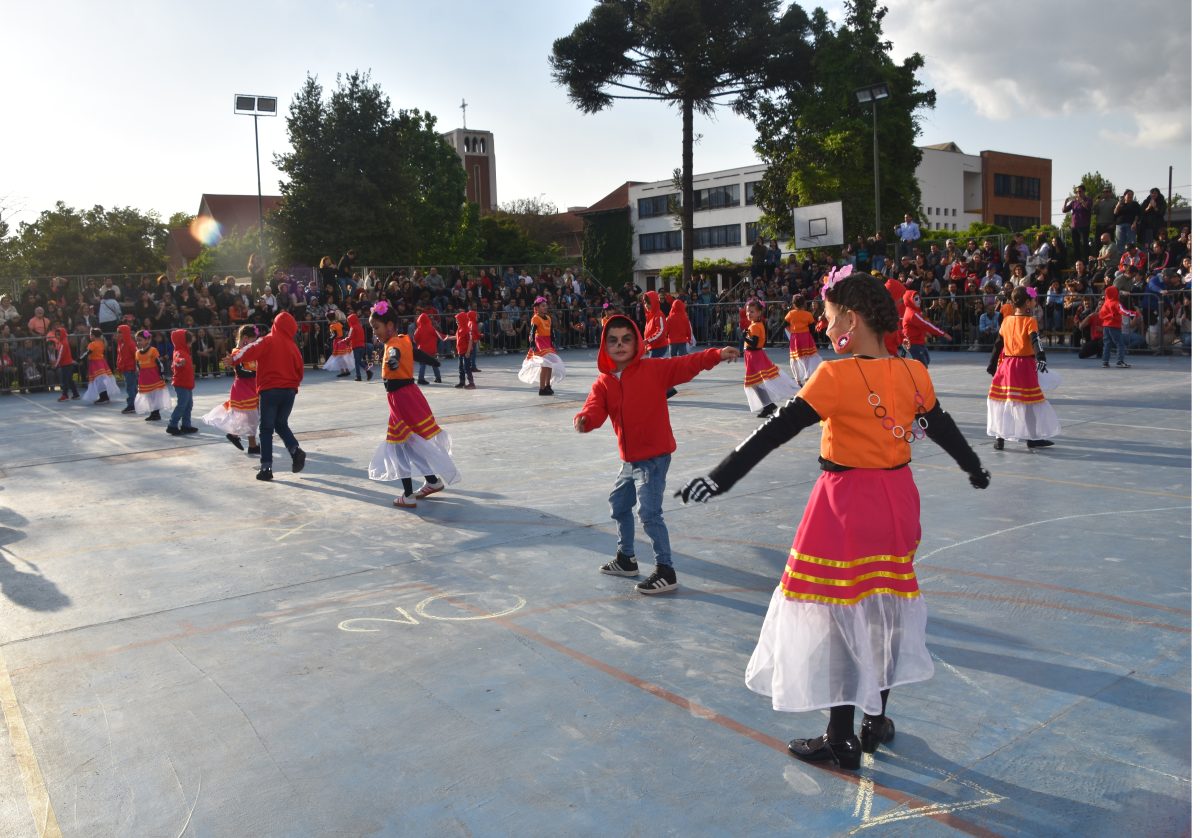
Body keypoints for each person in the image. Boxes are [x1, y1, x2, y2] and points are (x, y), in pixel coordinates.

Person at [675, 271, 989, 770]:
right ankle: (874, 721)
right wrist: (973, 466)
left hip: (843, 505)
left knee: (840, 616)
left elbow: (775, 431)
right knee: (883, 609)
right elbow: (941, 426)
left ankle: (840, 736)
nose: (822, 324)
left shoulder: (835, 376)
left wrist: (721, 476)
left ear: (851, 317)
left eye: (826, 315)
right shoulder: (914, 373)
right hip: (898, 501)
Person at [573, 314, 740, 595]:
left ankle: (666, 570)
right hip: (629, 459)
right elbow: (594, 408)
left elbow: (686, 363)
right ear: (605, 346)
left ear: (637, 341)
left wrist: (716, 355)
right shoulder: (604, 382)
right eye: (613, 340)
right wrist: (585, 420)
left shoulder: (653, 369)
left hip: (654, 456)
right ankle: (626, 558)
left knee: (649, 513)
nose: (620, 345)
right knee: (618, 505)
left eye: (626, 338)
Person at [366, 301, 458, 508]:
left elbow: (394, 355)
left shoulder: (393, 346)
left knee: (400, 445)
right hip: (407, 396)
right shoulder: (403, 340)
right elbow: (415, 353)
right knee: (409, 443)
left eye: (376, 327)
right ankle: (432, 481)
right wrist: (433, 361)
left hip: (401, 399)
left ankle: (408, 495)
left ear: (390, 325)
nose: (375, 332)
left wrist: (394, 361)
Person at [223, 311, 307, 482]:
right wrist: (294, 386)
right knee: (281, 424)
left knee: (266, 429)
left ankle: (266, 468)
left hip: (270, 390)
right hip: (289, 391)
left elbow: (248, 350)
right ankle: (295, 450)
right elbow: (300, 368)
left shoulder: (267, 340)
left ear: (275, 325)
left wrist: (233, 359)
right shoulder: (292, 346)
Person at [986, 287, 1060, 450]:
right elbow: (1036, 341)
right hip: (1024, 366)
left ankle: (1000, 438)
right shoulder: (1030, 321)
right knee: (1029, 403)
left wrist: (992, 364)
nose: (1034, 302)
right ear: (1027, 303)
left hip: (1006, 365)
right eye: (1033, 300)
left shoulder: (1006, 320)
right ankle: (1032, 437)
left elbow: (998, 344)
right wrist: (1041, 357)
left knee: (1004, 400)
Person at [203, 324, 260, 454]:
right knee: (251, 417)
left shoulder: (249, 351)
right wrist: (257, 373)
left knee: (251, 417)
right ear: (245, 338)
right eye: (253, 339)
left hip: (251, 389)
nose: (255, 343)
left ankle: (251, 445)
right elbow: (241, 371)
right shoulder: (237, 352)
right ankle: (238, 437)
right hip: (243, 389)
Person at [742, 298, 798, 418]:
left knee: (757, 382)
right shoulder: (754, 325)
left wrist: (744, 337)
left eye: (752, 311)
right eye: (747, 311)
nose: (749, 314)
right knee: (756, 383)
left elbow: (753, 342)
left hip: (755, 356)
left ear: (759, 313)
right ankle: (768, 405)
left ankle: (769, 405)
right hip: (752, 356)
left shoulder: (756, 326)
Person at [518, 297, 565, 396]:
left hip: (547, 343)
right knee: (544, 365)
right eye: (543, 306)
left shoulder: (548, 317)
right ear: (537, 308)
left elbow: (551, 331)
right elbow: (532, 332)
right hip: (539, 343)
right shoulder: (535, 318)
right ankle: (542, 388)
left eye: (546, 305)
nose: (545, 307)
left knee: (550, 364)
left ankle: (548, 385)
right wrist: (532, 344)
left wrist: (552, 340)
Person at [900, 291, 948, 367]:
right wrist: (943, 333)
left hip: (918, 341)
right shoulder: (913, 314)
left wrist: (925, 332)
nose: (919, 301)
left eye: (919, 298)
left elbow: (920, 325)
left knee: (926, 360)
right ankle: (914, 376)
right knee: (922, 365)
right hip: (914, 342)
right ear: (910, 300)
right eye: (916, 299)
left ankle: (911, 371)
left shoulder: (914, 311)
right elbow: (926, 324)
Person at [165, 329, 198, 436]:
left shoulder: (184, 351)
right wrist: (180, 362)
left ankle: (186, 425)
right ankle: (172, 425)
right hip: (181, 384)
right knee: (182, 405)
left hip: (186, 383)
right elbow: (176, 361)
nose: (190, 344)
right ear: (183, 342)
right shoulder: (179, 352)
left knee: (188, 405)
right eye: (189, 342)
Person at [783, 295, 821, 385]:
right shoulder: (808, 314)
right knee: (807, 358)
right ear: (804, 303)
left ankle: (798, 380)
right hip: (806, 337)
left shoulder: (791, 314)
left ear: (793, 304)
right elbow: (812, 329)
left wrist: (790, 330)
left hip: (795, 338)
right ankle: (807, 377)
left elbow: (783, 325)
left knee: (795, 358)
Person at [133, 330, 169, 420]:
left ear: (147, 340)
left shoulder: (153, 350)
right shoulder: (137, 353)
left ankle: (155, 413)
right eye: (137, 340)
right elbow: (138, 364)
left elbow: (159, 363)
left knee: (155, 395)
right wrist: (138, 371)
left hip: (153, 376)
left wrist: (161, 374)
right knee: (148, 395)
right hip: (144, 377)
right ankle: (153, 413)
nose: (138, 342)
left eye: (140, 340)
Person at [1098, 285, 1137, 368]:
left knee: (1107, 344)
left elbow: (1100, 315)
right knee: (1120, 344)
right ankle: (1120, 361)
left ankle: (1105, 361)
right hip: (1114, 326)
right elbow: (1123, 311)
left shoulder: (1106, 303)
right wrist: (1134, 313)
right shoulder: (1116, 302)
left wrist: (1108, 317)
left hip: (1106, 326)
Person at [81, 328, 121, 404]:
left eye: (90, 335)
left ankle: (103, 397)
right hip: (102, 363)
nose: (90, 336)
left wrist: (81, 358)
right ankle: (104, 396)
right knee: (102, 380)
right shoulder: (101, 343)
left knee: (99, 381)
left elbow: (89, 352)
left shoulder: (92, 344)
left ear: (93, 336)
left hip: (95, 364)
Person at [47, 327, 80, 402]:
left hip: (66, 364)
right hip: (67, 364)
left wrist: (56, 364)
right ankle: (76, 394)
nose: (57, 336)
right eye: (56, 335)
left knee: (65, 380)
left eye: (59, 334)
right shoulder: (62, 342)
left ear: (62, 334)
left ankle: (65, 395)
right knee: (69, 380)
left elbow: (60, 355)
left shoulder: (62, 343)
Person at [1062, 186, 1093, 264]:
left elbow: (1087, 207)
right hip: (1074, 226)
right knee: (1076, 246)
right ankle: (1078, 263)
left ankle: (1086, 263)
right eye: (1077, 192)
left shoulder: (1088, 199)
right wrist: (1065, 202)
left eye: (1080, 191)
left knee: (1084, 245)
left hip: (1084, 226)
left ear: (1084, 192)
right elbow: (1064, 210)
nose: (1078, 193)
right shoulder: (1073, 202)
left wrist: (1081, 200)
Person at [115, 323, 139, 413]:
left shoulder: (130, 344)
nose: (118, 334)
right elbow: (120, 356)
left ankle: (131, 405)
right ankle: (136, 403)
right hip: (125, 368)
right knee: (132, 387)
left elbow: (136, 355)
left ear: (125, 333)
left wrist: (137, 367)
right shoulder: (121, 343)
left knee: (130, 388)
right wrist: (119, 365)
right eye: (117, 332)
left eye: (120, 332)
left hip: (130, 369)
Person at [453, 304, 476, 390]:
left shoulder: (467, 329)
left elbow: (470, 341)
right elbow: (457, 337)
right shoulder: (459, 328)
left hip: (466, 352)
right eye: (456, 320)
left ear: (462, 320)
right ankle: (462, 382)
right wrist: (448, 337)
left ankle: (471, 383)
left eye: (458, 320)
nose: (456, 321)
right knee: (460, 368)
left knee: (467, 368)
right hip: (460, 351)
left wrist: (468, 352)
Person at [641, 291, 670, 357]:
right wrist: (646, 346)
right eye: (645, 303)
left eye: (649, 303)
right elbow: (647, 331)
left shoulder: (659, 315)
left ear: (654, 302)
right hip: (653, 346)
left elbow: (661, 331)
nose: (646, 305)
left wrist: (647, 341)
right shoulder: (650, 315)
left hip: (659, 347)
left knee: (653, 366)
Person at [347, 312, 372, 382]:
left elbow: (350, 337)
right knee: (358, 361)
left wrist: (345, 341)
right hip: (362, 345)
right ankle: (366, 372)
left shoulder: (352, 327)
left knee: (357, 362)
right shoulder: (360, 326)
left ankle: (359, 375)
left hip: (356, 346)